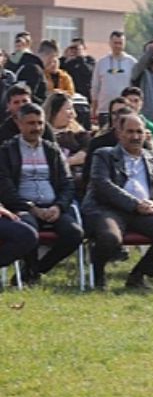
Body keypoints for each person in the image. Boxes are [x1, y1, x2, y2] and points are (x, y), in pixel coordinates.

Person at [82, 114, 153, 289]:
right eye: (130, 132)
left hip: (144, 212)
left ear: (145, 134)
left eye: (139, 132)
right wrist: (135, 204)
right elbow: (102, 184)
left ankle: (138, 276)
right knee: (110, 238)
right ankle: (98, 274)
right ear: (119, 133)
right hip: (108, 209)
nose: (135, 136)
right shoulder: (104, 154)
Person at [0, 102, 83, 285]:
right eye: (31, 123)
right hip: (23, 207)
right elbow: (5, 188)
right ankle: (30, 271)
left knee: (75, 234)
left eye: (40, 123)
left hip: (53, 206)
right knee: (29, 233)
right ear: (19, 124)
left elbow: (67, 183)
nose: (36, 128)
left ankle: (36, 270)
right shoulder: (7, 151)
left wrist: (59, 206)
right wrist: (31, 208)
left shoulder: (52, 150)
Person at [44, 91, 90, 192]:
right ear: (54, 111)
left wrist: (66, 162)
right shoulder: (43, 134)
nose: (73, 114)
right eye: (68, 109)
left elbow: (87, 151)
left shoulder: (79, 134)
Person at [92, 30, 137, 128]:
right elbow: (95, 87)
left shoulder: (132, 63)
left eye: (120, 43)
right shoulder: (101, 63)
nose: (117, 46)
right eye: (115, 43)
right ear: (110, 43)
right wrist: (94, 109)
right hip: (104, 111)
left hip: (125, 111)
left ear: (124, 44)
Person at [121, 86, 153, 153]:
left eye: (136, 101)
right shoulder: (117, 123)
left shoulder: (150, 127)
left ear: (141, 103)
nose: (132, 105)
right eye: (129, 101)